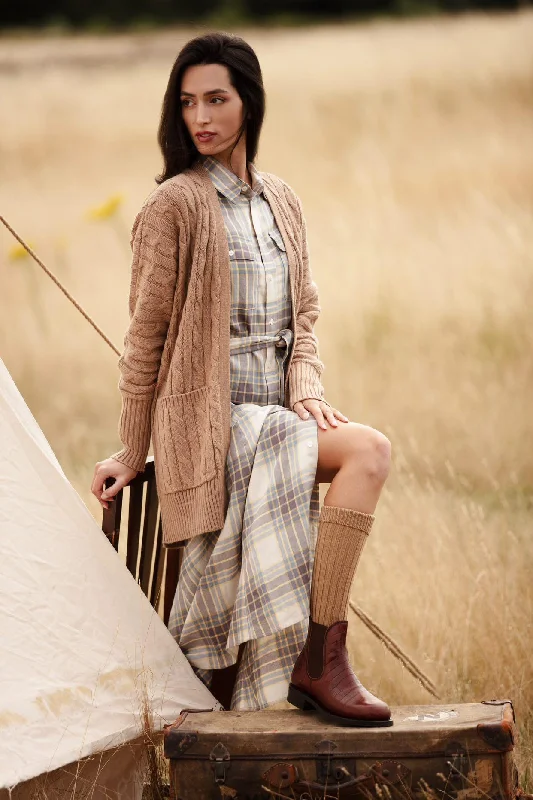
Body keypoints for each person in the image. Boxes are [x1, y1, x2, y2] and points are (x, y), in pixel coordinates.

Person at [91, 32, 392, 727]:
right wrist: (132, 453)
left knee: (366, 454)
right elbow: (143, 345)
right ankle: (319, 661)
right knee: (369, 450)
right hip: (212, 424)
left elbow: (305, 311)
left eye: (217, 99)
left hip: (276, 417)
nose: (201, 116)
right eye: (188, 101)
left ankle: (318, 654)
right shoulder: (173, 207)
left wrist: (306, 386)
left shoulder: (281, 199)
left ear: (247, 103)